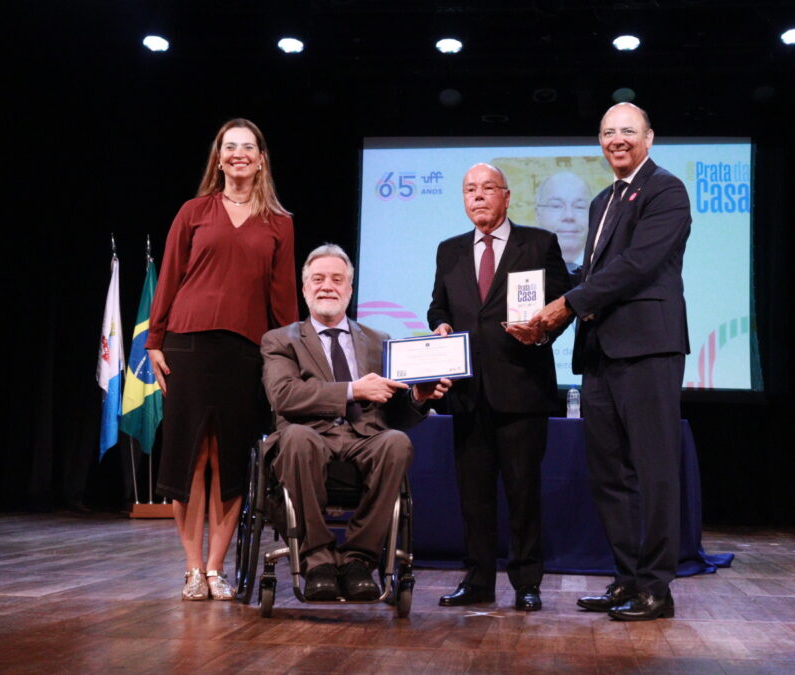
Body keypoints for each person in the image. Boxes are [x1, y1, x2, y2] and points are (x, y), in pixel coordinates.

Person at [529, 102, 692, 621]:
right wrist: (538, 308)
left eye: (627, 130)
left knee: (655, 471)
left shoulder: (666, 189)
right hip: (599, 353)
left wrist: (567, 305)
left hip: (648, 348)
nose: (616, 139)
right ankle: (626, 579)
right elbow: (589, 274)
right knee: (610, 475)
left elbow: (637, 265)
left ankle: (657, 589)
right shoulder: (602, 201)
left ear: (649, 138)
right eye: (606, 132)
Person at [145, 118, 298, 601]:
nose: (238, 155)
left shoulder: (279, 222)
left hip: (244, 352)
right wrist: (153, 341)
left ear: (260, 159)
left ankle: (216, 569)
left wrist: (290, 356)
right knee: (191, 457)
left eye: (247, 147)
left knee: (229, 459)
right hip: (186, 346)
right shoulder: (193, 211)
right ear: (218, 157)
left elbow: (284, 299)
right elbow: (169, 276)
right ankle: (191, 569)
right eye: (229, 147)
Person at [261, 244, 450, 601]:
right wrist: (352, 389)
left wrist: (419, 397)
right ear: (305, 289)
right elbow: (284, 396)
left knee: (396, 441)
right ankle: (317, 560)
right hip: (309, 436)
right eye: (318, 279)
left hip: (365, 437)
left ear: (350, 289)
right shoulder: (280, 340)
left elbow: (396, 415)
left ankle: (358, 560)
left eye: (337, 279)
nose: (327, 286)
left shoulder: (380, 341)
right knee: (298, 438)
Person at [428, 163, 570, 612]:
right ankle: (478, 581)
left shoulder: (538, 243)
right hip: (468, 393)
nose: (479, 196)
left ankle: (527, 583)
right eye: (470, 189)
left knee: (523, 493)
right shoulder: (448, 250)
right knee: (474, 496)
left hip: (522, 389)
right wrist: (440, 325)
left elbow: (563, 301)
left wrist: (542, 331)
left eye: (488, 188)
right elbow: (437, 306)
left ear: (507, 197)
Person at [534, 171, 592, 272]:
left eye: (580, 206)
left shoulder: (609, 266)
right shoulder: (521, 265)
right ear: (538, 213)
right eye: (556, 206)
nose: (569, 216)